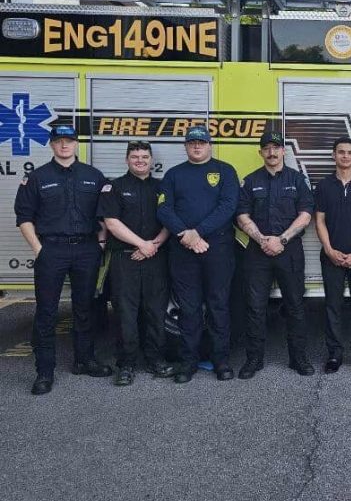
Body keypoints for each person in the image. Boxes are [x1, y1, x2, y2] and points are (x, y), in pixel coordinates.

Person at [14, 125, 112, 395]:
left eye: (69, 140)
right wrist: (39, 249)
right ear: (52, 145)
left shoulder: (93, 176)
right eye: (59, 141)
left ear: (76, 144)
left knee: (85, 309)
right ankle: (44, 372)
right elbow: (23, 217)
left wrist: (101, 242)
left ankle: (84, 360)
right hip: (51, 251)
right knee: (46, 313)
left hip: (86, 249)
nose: (64, 145)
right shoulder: (37, 178)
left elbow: (104, 214)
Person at [157, 125, 239, 384]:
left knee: (218, 305)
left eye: (201, 143)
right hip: (183, 251)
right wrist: (185, 235)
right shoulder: (173, 175)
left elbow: (228, 206)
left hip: (219, 249)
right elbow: (164, 210)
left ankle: (221, 360)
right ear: (185, 146)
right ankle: (188, 361)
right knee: (189, 308)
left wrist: (198, 233)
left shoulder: (225, 171)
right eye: (192, 143)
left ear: (209, 145)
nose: (196, 146)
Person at [236, 131, 315, 377]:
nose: (271, 152)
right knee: (255, 308)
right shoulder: (249, 181)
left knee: (295, 306)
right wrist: (262, 239)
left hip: (289, 250)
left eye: (276, 147)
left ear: (284, 151)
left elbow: (305, 215)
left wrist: (281, 239)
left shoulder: (298, 180)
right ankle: (254, 360)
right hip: (257, 252)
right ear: (260, 152)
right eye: (266, 148)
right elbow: (241, 215)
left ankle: (298, 359)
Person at [97, 140, 173, 386]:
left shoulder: (163, 188)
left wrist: (154, 245)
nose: (140, 160)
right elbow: (111, 223)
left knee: (156, 311)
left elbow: (170, 222)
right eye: (135, 157)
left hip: (156, 256)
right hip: (124, 258)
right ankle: (126, 364)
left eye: (144, 157)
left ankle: (156, 359)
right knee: (125, 313)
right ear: (127, 160)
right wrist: (142, 244)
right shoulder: (114, 187)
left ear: (152, 161)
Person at [314, 137, 351, 374]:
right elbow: (318, 221)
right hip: (331, 256)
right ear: (334, 155)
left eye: (350, 152)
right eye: (341, 152)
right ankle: (334, 355)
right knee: (333, 306)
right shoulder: (323, 186)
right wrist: (329, 250)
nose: (345, 156)